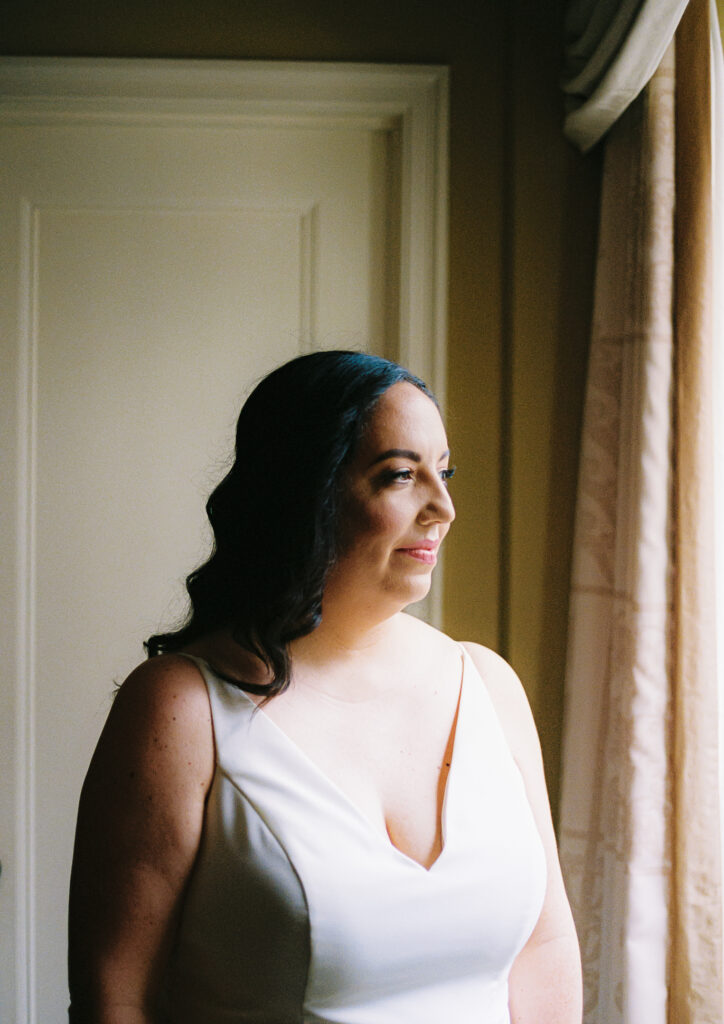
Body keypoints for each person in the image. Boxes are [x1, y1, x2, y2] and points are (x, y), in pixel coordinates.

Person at [68, 350, 582, 1024]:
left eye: (445, 471)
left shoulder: (486, 684)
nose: (444, 508)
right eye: (400, 475)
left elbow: (543, 949)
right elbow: (117, 998)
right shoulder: (182, 708)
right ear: (306, 491)